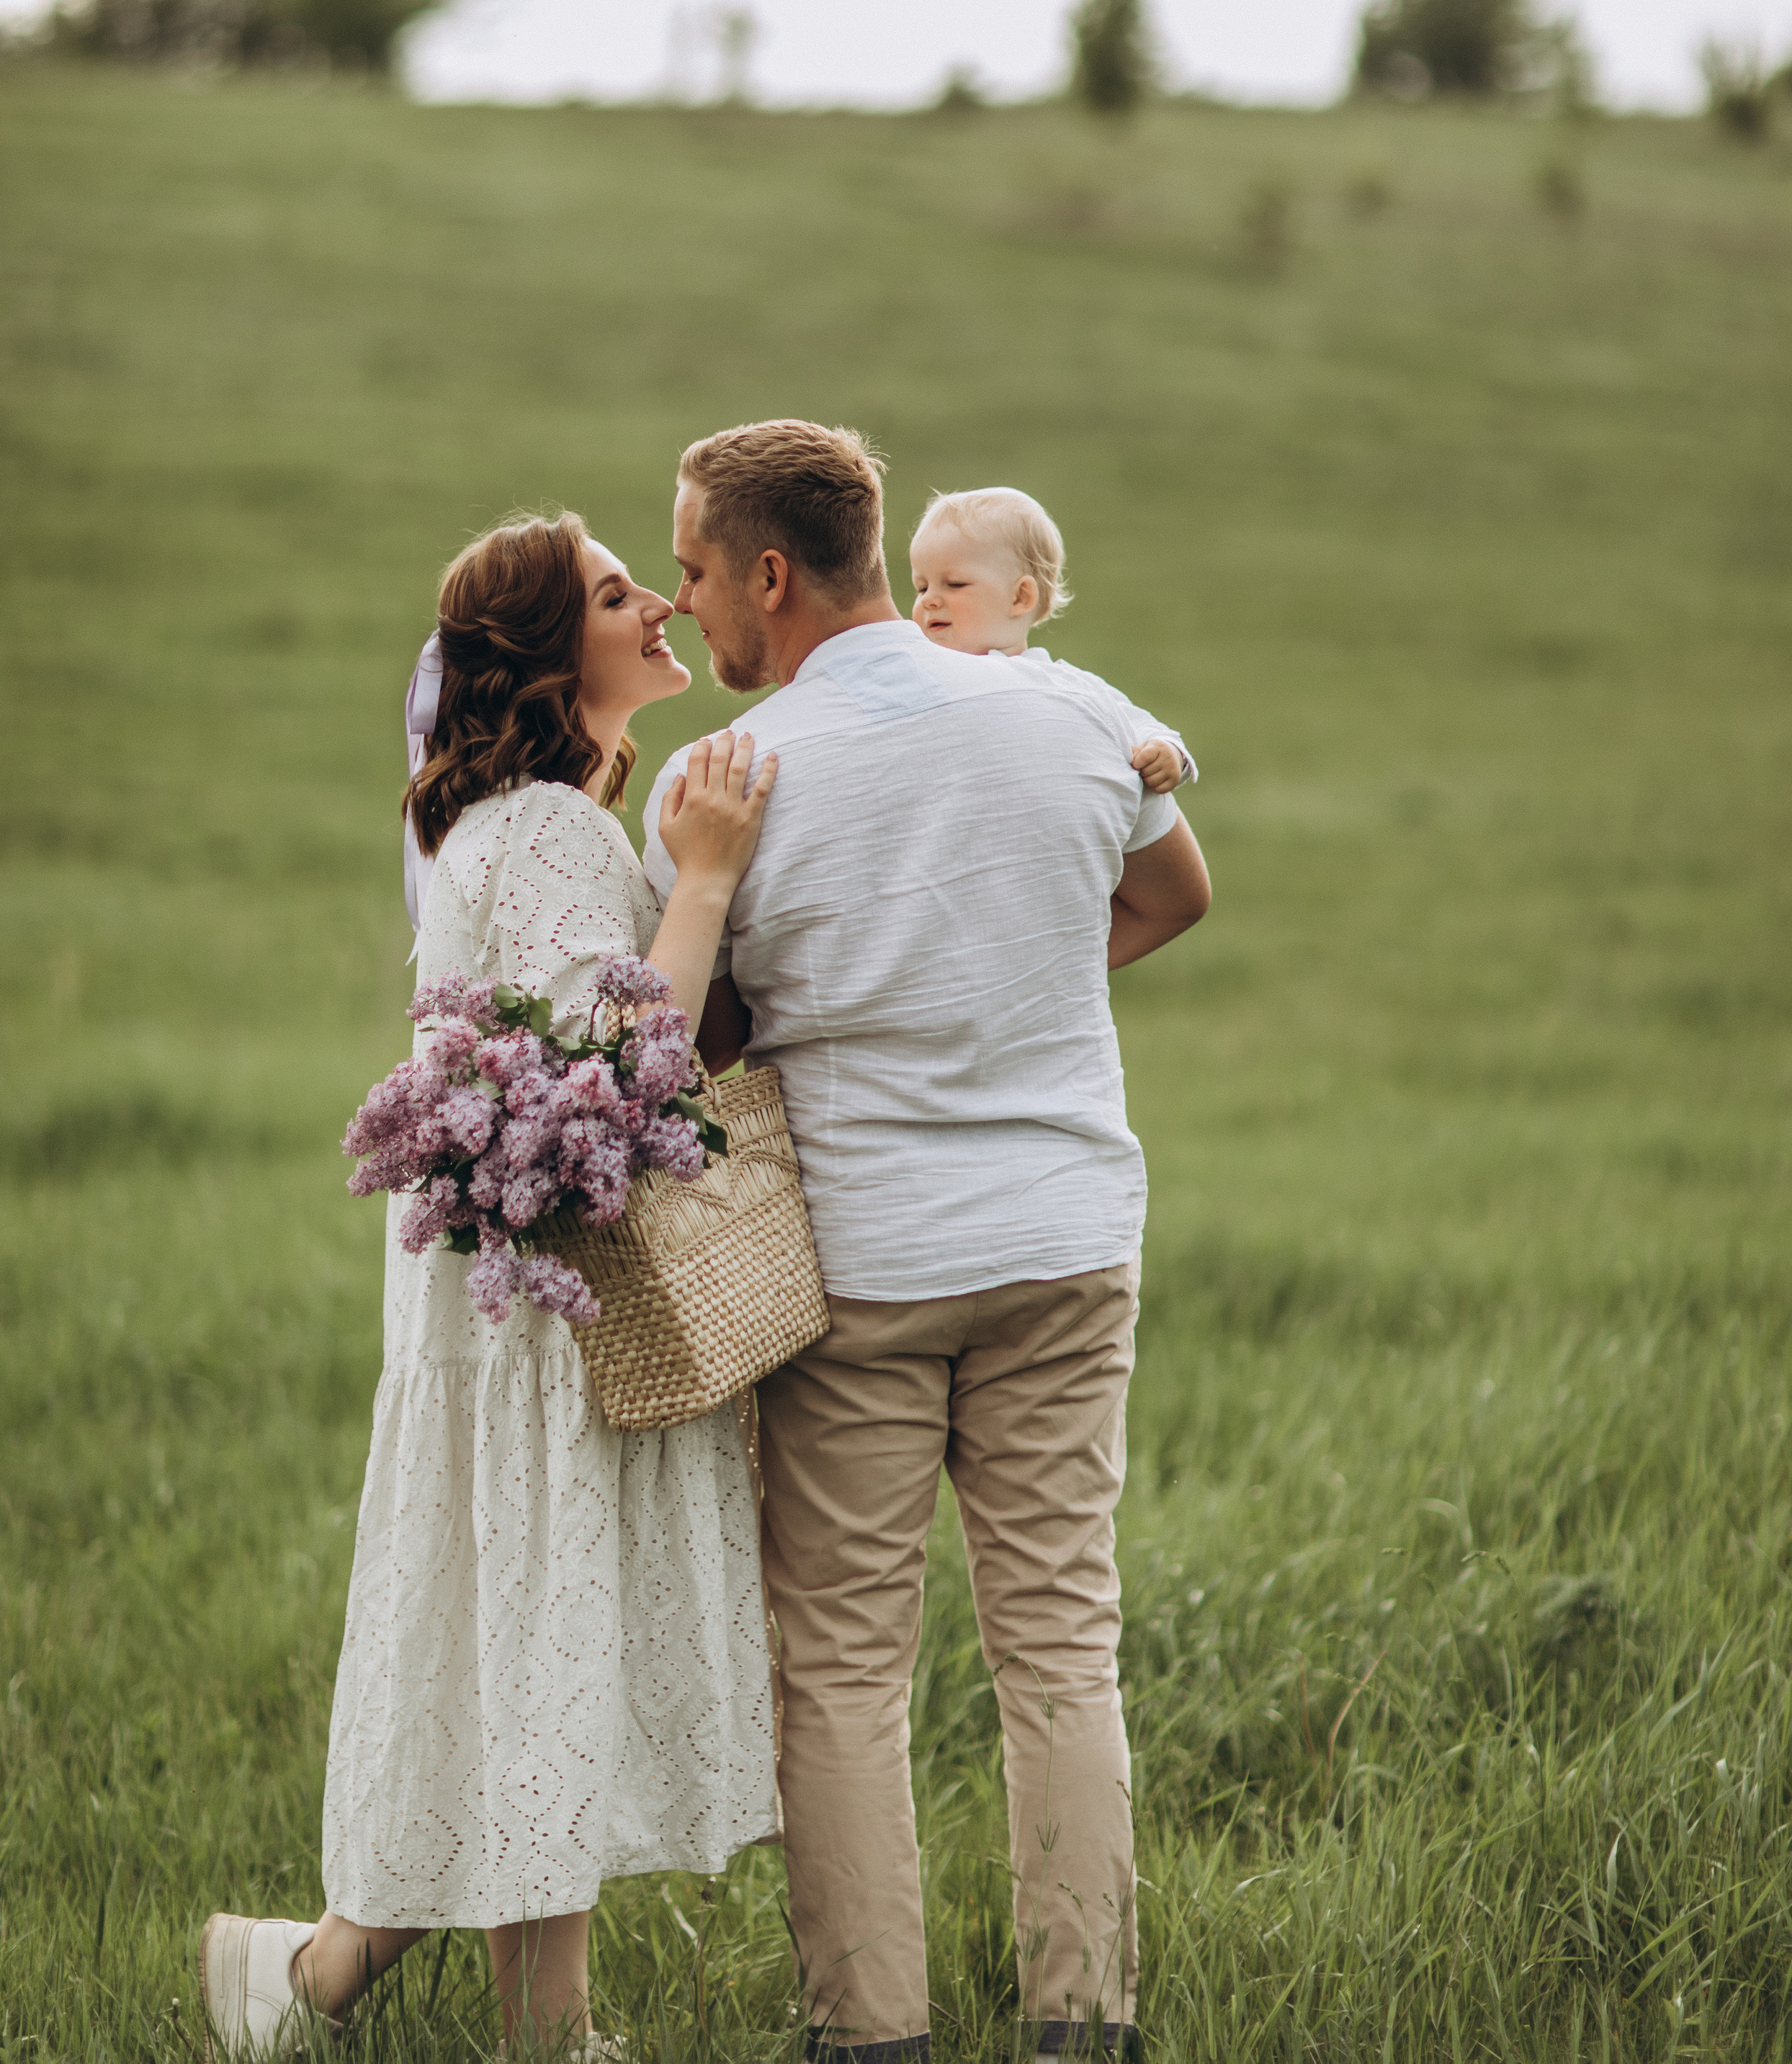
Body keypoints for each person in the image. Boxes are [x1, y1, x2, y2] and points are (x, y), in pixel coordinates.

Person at [642, 424, 1211, 2064]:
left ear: (768, 570)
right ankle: (1080, 2022)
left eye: (691, 567)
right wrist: (1012, 995)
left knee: (836, 1662)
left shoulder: (726, 778)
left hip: (870, 1270)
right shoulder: (1064, 710)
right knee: (1058, 1638)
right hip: (1063, 1236)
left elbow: (697, 1034)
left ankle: (869, 2036)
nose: (688, 604)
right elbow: (1174, 894)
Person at [200, 511, 781, 2059]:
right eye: (612, 593)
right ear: (544, 658)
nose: (655, 601)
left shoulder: (511, 826)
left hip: (506, 1297)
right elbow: (627, 1058)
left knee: (532, 1639)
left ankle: (349, 1990)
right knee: (542, 1629)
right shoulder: (541, 830)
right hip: (540, 1314)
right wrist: (710, 872)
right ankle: (485, 2019)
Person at [908, 484, 1198, 796]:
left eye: (955, 584)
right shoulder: (918, 677)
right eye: (921, 588)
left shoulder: (1066, 687)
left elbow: (1143, 728)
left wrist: (1167, 754)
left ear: (1020, 597)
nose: (929, 601)